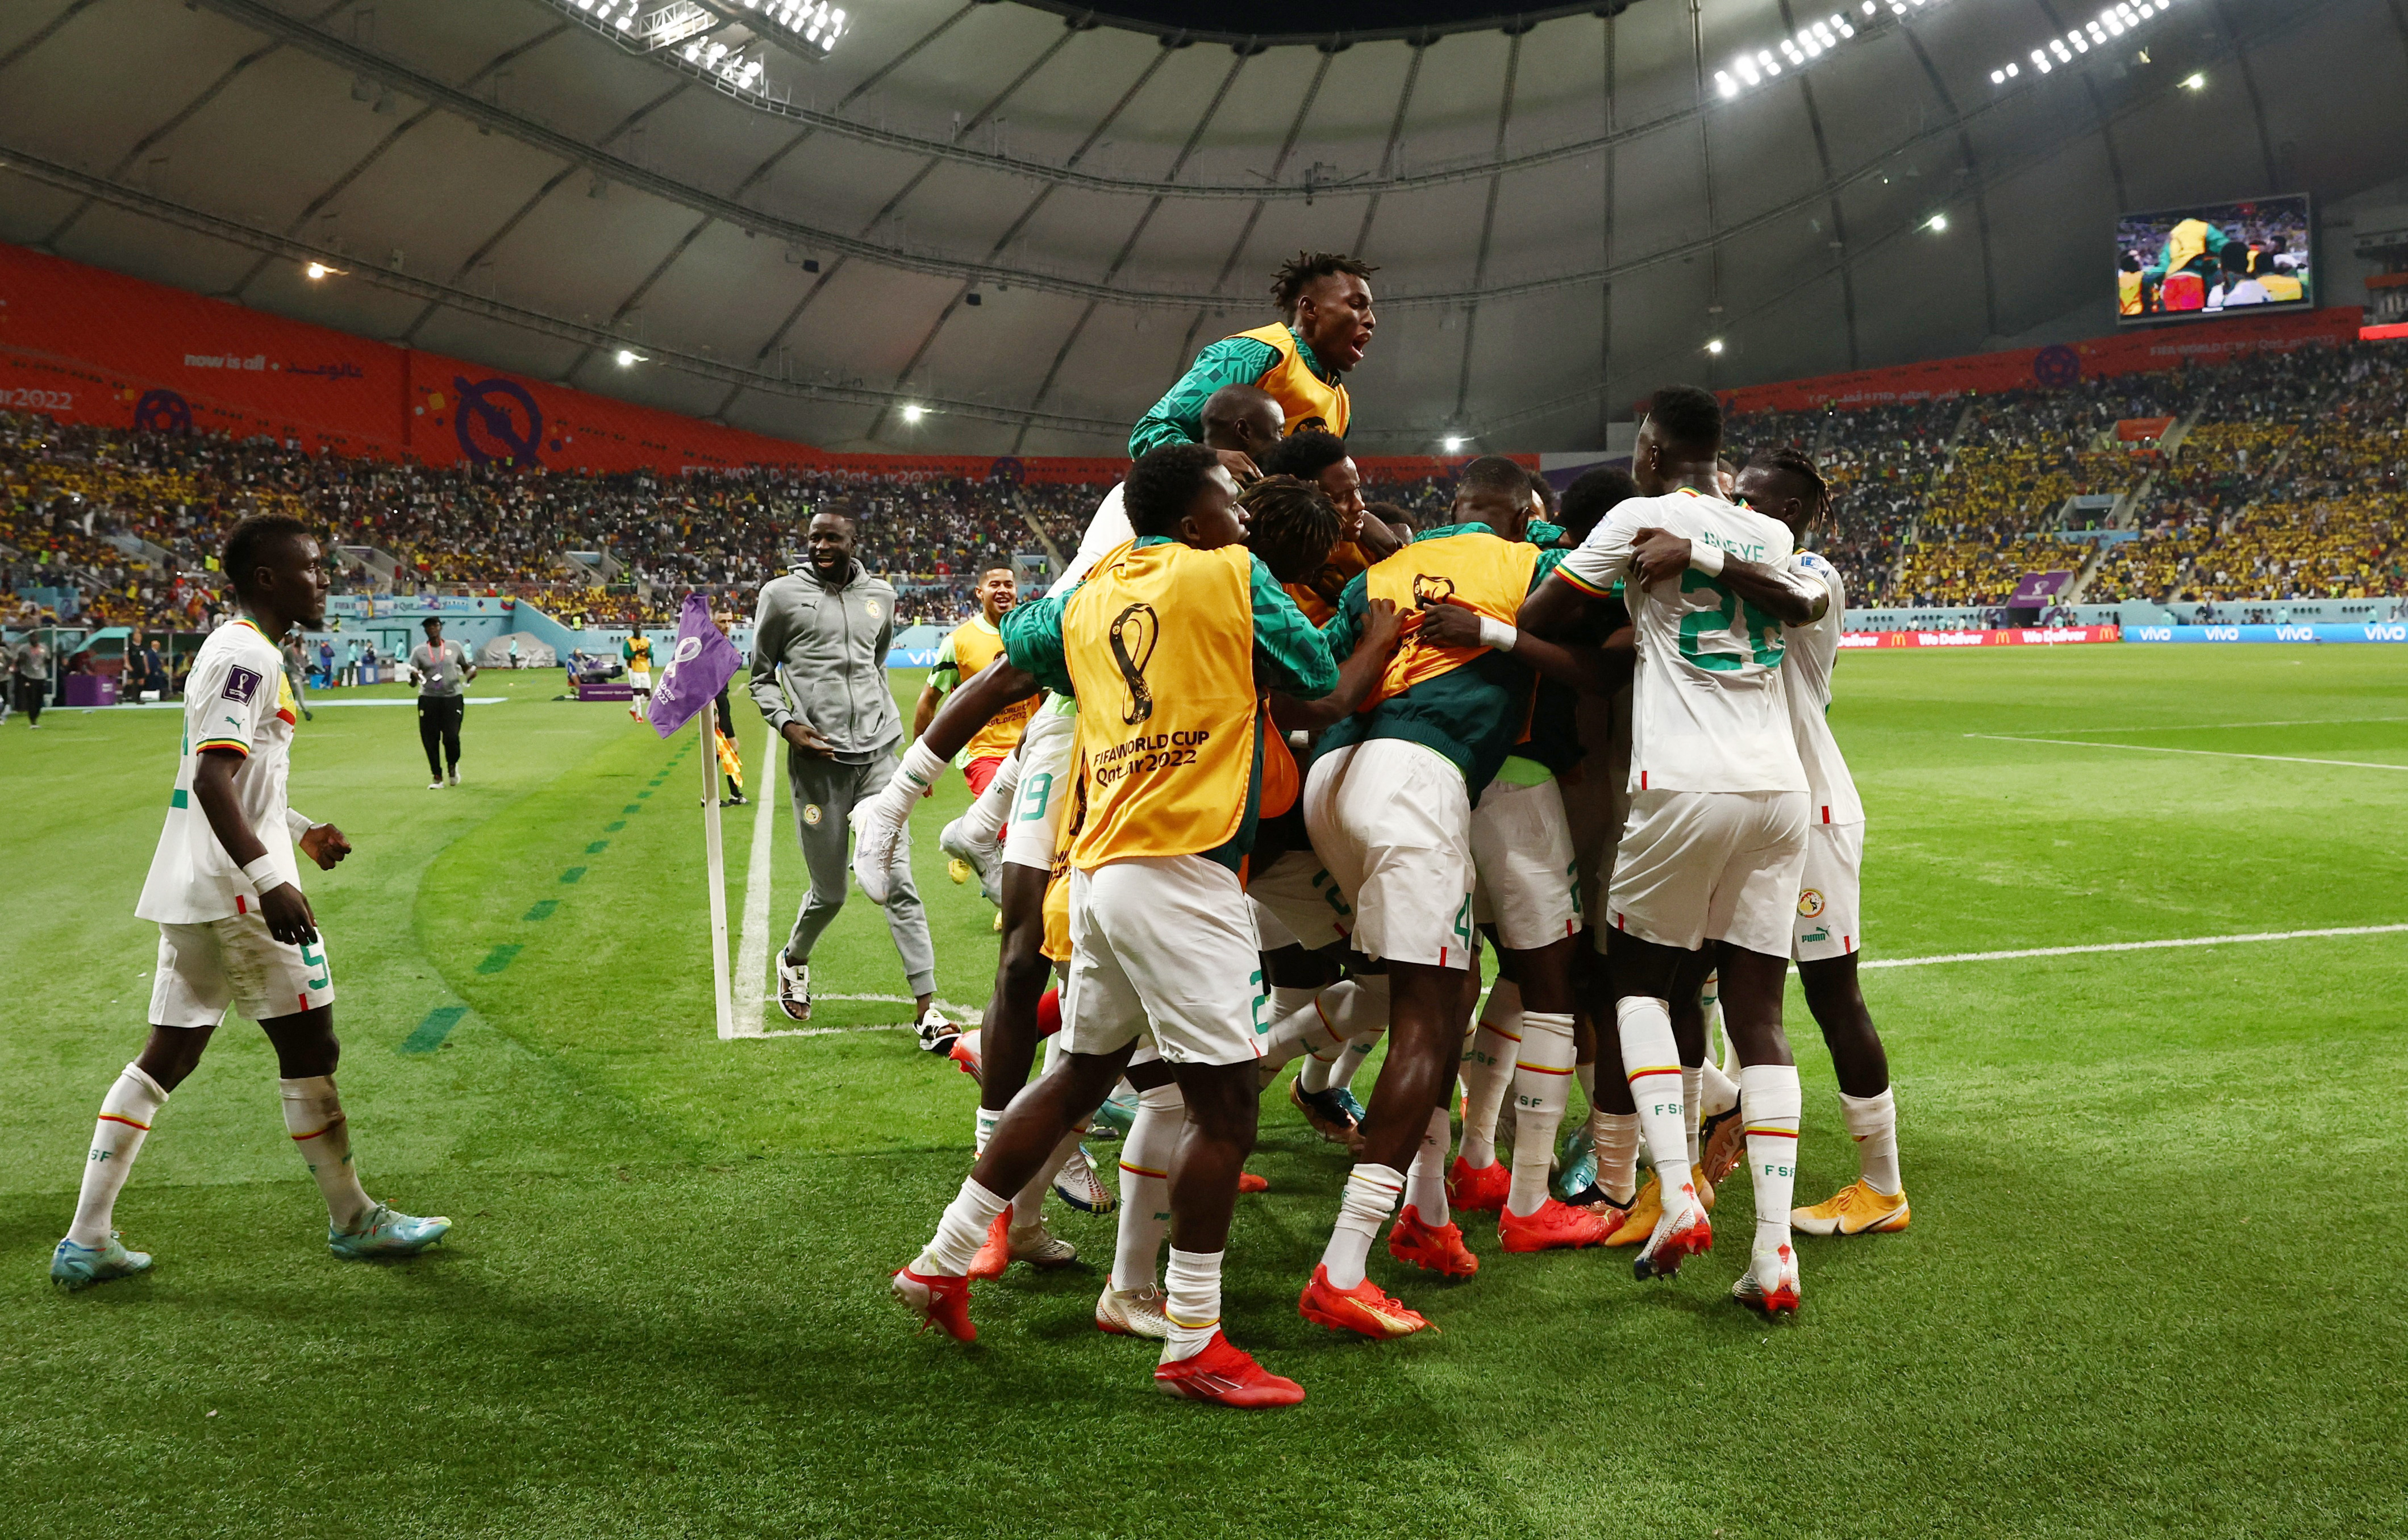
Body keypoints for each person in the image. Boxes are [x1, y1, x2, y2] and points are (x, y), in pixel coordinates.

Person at [889, 444, 1337, 1407]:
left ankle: (942, 1257)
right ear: (1189, 516)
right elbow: (1314, 664)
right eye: (1229, 499)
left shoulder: (1087, 596)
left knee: (1081, 1074)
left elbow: (1022, 633)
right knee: (1224, 1109)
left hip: (1095, 870)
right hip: (1184, 865)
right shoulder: (1225, 569)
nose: (1243, 516)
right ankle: (1192, 1340)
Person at [49, 514, 448, 1291]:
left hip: (197, 881)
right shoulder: (244, 654)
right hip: (238, 892)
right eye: (311, 566)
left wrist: (297, 828)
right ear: (268, 578)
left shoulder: (241, 650)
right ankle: (354, 1217)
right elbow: (210, 780)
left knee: (169, 1053)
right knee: (310, 1049)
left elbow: (229, 779)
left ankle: (87, 1238)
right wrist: (272, 879)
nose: (325, 578)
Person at [1521, 384, 1827, 1317]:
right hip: (1778, 792)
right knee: (1756, 1011)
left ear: (1649, 450)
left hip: (1680, 785)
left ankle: (1679, 1194)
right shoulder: (1769, 536)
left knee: (1636, 989)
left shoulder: (1635, 514)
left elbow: (1541, 619)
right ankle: (1773, 1251)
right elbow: (1797, 602)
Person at [1292, 456, 1596, 1339]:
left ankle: (1426, 1211)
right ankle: (1343, 1266)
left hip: (1330, 782)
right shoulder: (1529, 562)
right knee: (1428, 1019)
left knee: (1444, 989)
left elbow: (1328, 671)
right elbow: (1591, 646)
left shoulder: (1384, 571)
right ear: (1521, 512)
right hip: (1417, 779)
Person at [1723, 448, 1909, 1239]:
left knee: (1832, 994)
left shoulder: (1811, 572)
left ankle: (1881, 1186)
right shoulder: (1738, 564)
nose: (1741, 510)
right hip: (1751, 807)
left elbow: (1793, 602)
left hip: (1815, 814)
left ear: (1796, 515)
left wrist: (1699, 543)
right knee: (1725, 982)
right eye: (1734, 497)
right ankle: (1719, 1119)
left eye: (1758, 503)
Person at [748, 505, 949, 1046]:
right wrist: (789, 725)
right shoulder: (780, 596)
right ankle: (794, 957)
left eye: (832, 538)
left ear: (853, 540)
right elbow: (761, 677)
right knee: (832, 891)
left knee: (899, 880)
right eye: (814, 538)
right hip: (820, 764)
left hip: (881, 754)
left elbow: (875, 665)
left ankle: (927, 1010)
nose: (820, 547)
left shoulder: (880, 596)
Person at [1130, 252, 1378, 471]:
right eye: (1356, 305)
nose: (1371, 320)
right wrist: (1212, 460)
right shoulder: (1254, 353)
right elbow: (1149, 432)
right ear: (1310, 309)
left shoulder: (1341, 405)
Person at [914, 564, 1034, 804]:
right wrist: (920, 770)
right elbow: (928, 701)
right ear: (980, 592)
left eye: (1008, 585)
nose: (1002, 590)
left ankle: (964, 838)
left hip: (1032, 748)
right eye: (995, 585)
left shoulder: (1033, 632)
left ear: (1017, 591)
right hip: (984, 754)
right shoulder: (958, 642)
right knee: (1003, 828)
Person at [411, 617, 475, 789]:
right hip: (429, 698)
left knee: (451, 737)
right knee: (430, 739)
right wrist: (413, 676)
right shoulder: (419, 651)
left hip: (452, 697)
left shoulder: (454, 647)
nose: (432, 629)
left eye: (435, 625)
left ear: (440, 628)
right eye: (429, 627)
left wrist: (471, 674)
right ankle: (437, 776)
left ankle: (452, 766)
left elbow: (465, 667)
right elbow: (412, 681)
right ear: (425, 630)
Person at [14, 631, 49, 727]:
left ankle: (36, 715)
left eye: (36, 637)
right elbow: (19, 662)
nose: (34, 639)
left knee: (39, 698)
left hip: (41, 675)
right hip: (28, 676)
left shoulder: (44, 648)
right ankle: (33, 719)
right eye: (32, 637)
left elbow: (47, 660)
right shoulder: (24, 649)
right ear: (29, 639)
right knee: (31, 698)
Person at [281, 627, 315, 722]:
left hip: (300, 674)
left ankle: (286, 712)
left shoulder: (303, 649)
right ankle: (306, 712)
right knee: (299, 693)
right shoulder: (288, 649)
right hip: (293, 674)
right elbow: (283, 661)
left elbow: (306, 661)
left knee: (293, 695)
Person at [623, 631, 656, 722]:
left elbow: (651, 653)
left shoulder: (645, 641)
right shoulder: (628, 642)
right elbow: (626, 655)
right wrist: (636, 653)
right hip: (634, 669)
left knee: (647, 693)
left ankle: (633, 710)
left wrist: (647, 653)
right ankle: (639, 716)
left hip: (644, 669)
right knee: (637, 691)